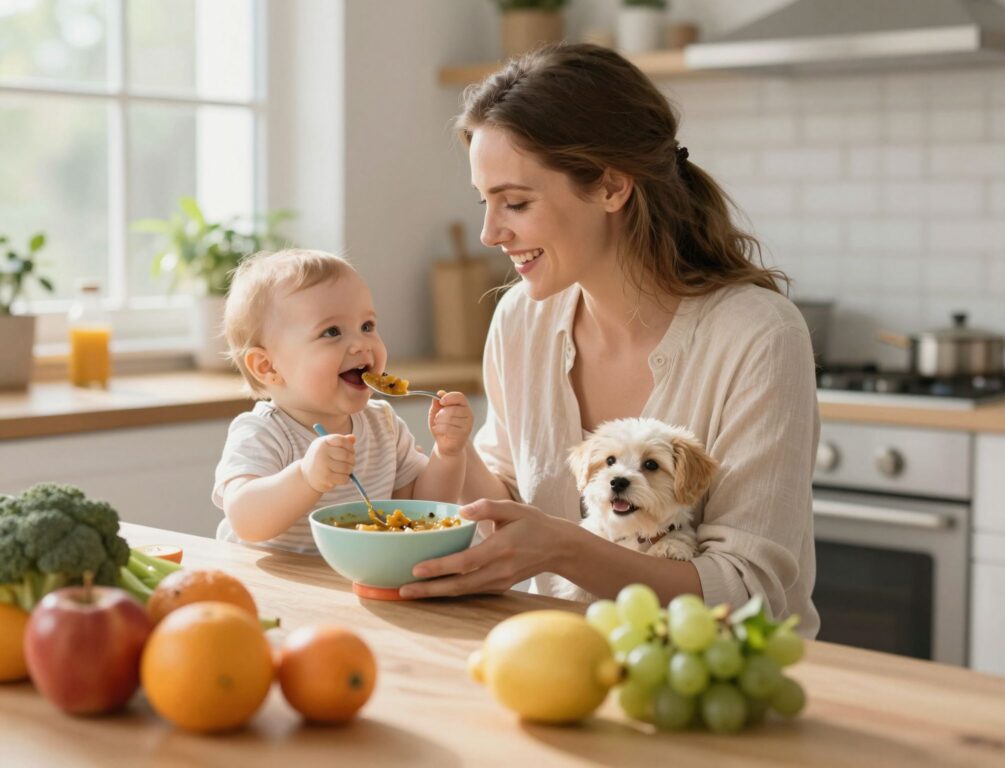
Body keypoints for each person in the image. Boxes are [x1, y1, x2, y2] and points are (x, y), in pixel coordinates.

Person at [398, 44, 820, 637]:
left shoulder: (758, 336)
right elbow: (512, 492)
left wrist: (565, 549)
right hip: (557, 657)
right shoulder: (522, 317)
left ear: (611, 187)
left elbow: (750, 594)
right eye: (485, 203)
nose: (491, 233)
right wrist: (449, 457)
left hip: (714, 688)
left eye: (515, 202)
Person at [212, 249, 473, 552]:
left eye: (367, 326)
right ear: (268, 367)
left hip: (352, 586)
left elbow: (424, 509)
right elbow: (246, 520)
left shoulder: (383, 425)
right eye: (332, 331)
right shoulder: (263, 433)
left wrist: (448, 452)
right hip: (272, 592)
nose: (361, 344)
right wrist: (305, 477)